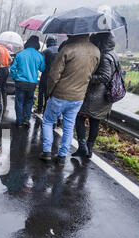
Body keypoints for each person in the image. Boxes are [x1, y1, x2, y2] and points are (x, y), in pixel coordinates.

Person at [40, 34, 100, 167]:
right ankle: (62, 156)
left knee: (48, 121)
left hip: (60, 95)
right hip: (78, 97)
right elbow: (91, 72)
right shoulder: (96, 51)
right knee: (68, 126)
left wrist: (49, 91)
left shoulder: (67, 49)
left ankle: (47, 152)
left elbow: (54, 74)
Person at [73, 32, 119, 158]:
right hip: (105, 96)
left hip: (95, 95)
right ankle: (89, 149)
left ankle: (83, 147)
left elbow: (105, 76)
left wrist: (87, 77)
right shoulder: (114, 54)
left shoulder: (104, 56)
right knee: (95, 122)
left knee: (80, 118)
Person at [10, 35, 45, 128]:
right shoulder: (39, 55)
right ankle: (26, 119)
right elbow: (42, 69)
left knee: (19, 102)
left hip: (20, 82)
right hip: (32, 83)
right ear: (37, 44)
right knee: (29, 101)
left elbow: (12, 68)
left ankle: (19, 121)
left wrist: (14, 77)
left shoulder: (20, 54)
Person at [37, 36, 59, 114]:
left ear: (48, 42)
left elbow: (41, 65)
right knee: (49, 94)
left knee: (41, 92)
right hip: (56, 76)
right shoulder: (60, 50)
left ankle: (39, 109)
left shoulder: (46, 51)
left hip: (46, 74)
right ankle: (46, 109)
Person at [0, 41, 12, 107]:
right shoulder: (5, 49)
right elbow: (10, 60)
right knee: (4, 87)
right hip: (6, 69)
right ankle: (5, 103)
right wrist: (6, 64)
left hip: (1, 70)